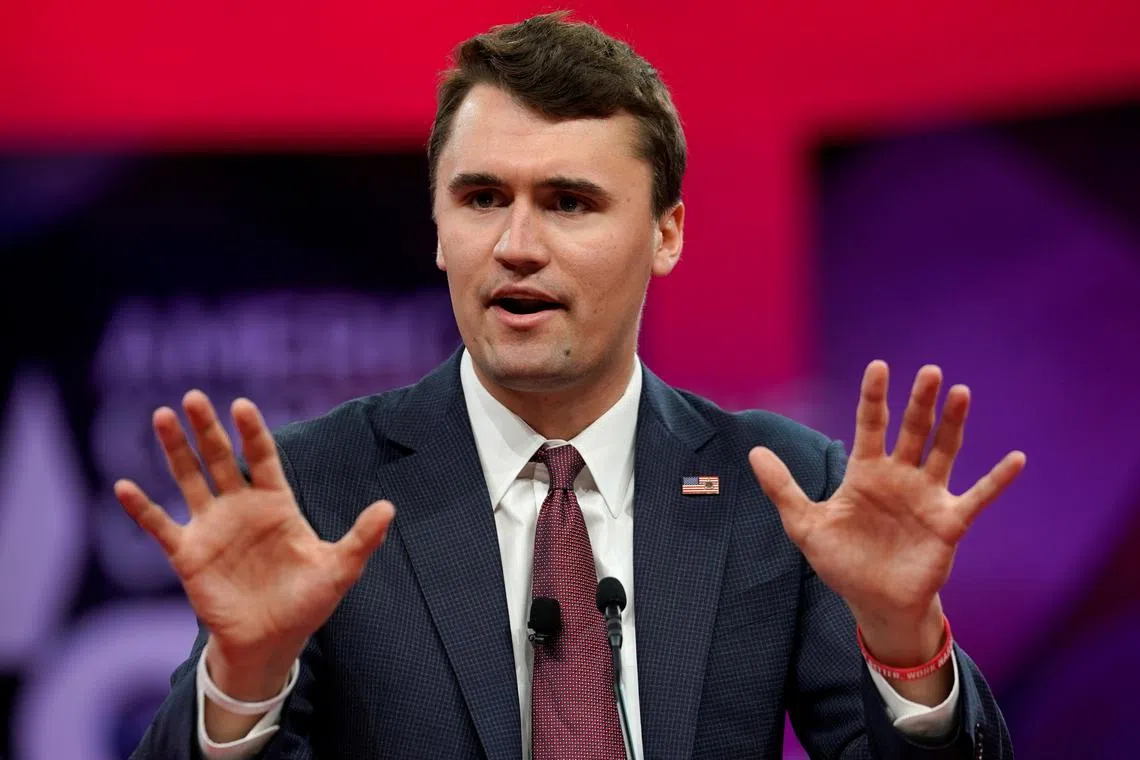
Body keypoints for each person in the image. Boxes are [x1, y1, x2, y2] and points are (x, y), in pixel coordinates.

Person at [123, 12, 1023, 759]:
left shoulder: (781, 487)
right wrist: (244, 682)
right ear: (438, 229)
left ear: (666, 235)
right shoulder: (317, 485)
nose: (516, 243)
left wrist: (906, 646)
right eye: (480, 198)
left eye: (568, 202)